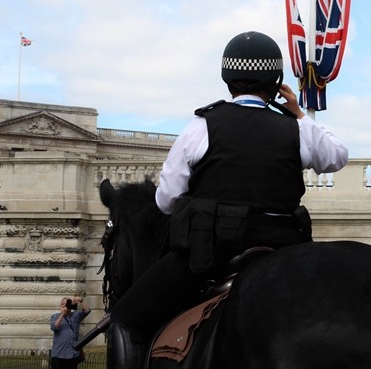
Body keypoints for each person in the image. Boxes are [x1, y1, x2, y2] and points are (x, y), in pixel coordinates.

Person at [106, 31, 349, 369]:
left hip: (211, 255)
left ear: (228, 79)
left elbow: (165, 201)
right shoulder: (294, 129)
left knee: (126, 318)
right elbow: (337, 156)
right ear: (276, 80)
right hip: (284, 250)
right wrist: (298, 114)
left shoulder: (201, 126)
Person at [50, 296, 90, 369]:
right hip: (58, 353)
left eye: (67, 304)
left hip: (72, 354)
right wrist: (62, 314)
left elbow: (87, 310)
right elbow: (54, 327)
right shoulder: (55, 316)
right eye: (63, 304)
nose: (65, 306)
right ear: (60, 306)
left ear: (71, 305)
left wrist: (81, 300)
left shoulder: (76, 315)